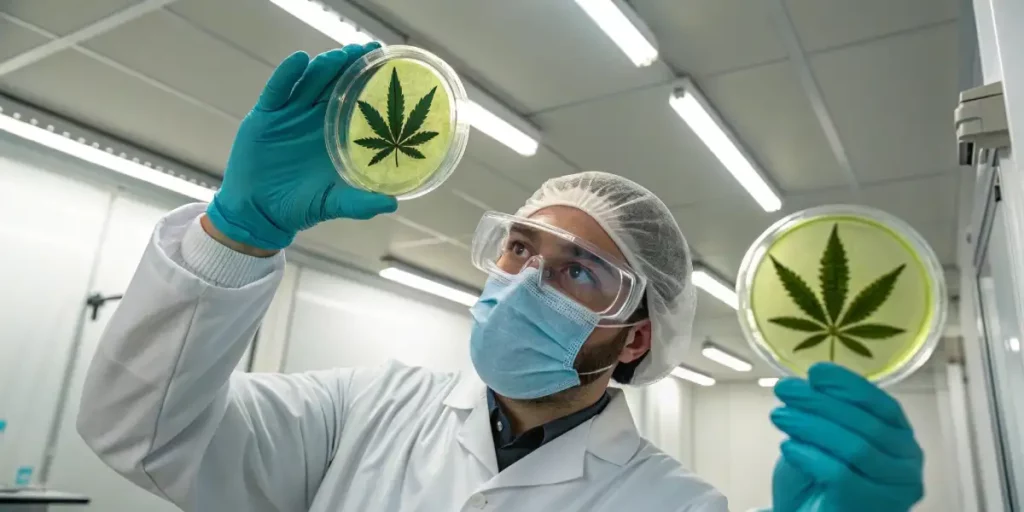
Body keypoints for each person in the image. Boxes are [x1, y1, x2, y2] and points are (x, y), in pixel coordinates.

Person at [76, 43, 924, 511]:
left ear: (635, 337)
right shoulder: (360, 413)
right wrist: (236, 236)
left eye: (580, 271)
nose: (524, 282)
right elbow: (142, 439)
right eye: (519, 248)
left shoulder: (676, 506)